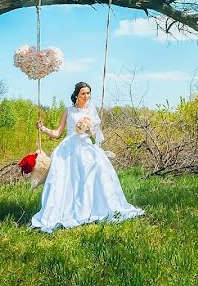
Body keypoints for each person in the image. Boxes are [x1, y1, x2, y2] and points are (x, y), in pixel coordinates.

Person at [31, 81, 144, 232]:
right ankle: (65, 209)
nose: (86, 96)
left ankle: (92, 207)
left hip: (85, 146)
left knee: (94, 174)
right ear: (76, 95)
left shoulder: (91, 111)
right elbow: (57, 133)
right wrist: (43, 128)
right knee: (66, 179)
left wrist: (89, 129)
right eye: (83, 93)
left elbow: (96, 135)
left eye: (88, 93)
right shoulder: (68, 111)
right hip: (68, 148)